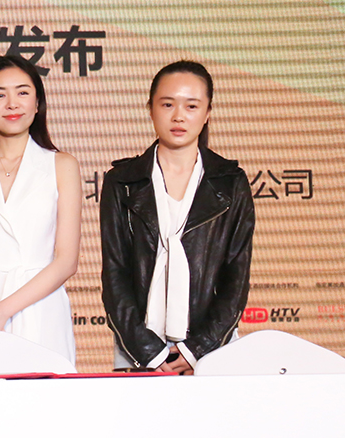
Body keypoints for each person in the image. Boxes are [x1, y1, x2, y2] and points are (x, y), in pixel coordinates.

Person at [101, 61, 255, 372]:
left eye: (191, 106)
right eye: (167, 104)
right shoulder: (122, 182)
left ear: (208, 112)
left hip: (211, 350)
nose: (179, 116)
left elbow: (235, 280)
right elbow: (115, 275)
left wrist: (197, 349)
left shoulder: (230, 182)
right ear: (150, 108)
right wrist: (150, 352)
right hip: (138, 351)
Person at [0, 55, 80, 361]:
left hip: (40, 307)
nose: (12, 104)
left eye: (22, 92)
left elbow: (66, 261)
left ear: (37, 102)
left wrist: (2, 312)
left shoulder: (61, 165)